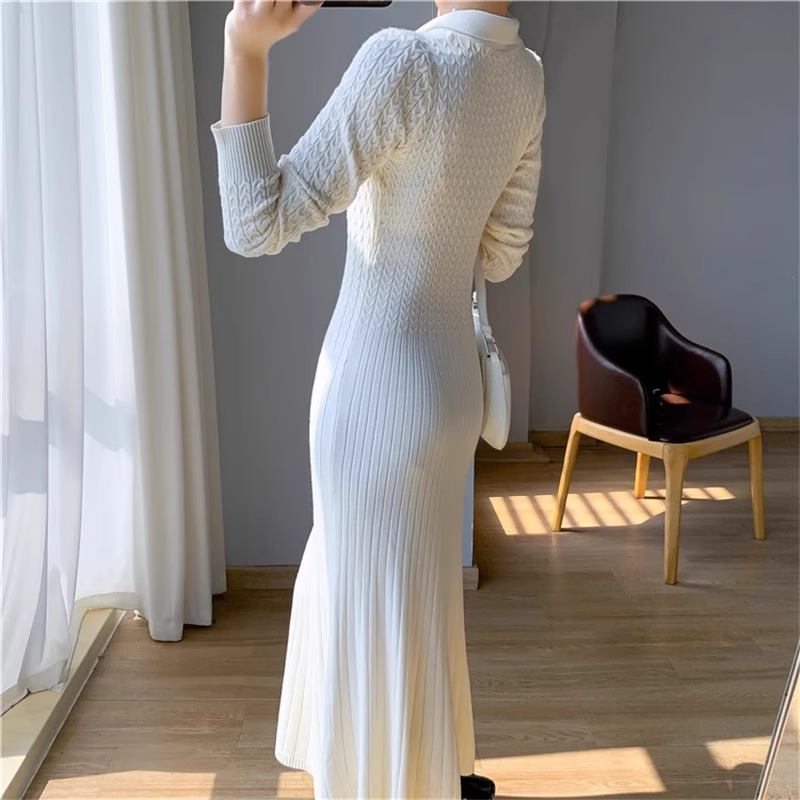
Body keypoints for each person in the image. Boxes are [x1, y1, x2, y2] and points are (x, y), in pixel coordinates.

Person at [212, 0, 545, 797]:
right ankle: (424, 774)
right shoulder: (525, 76)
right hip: (449, 390)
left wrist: (244, 49)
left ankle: (389, 781)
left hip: (374, 391)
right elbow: (502, 255)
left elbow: (254, 222)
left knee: (368, 612)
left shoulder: (403, 62)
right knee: (409, 608)